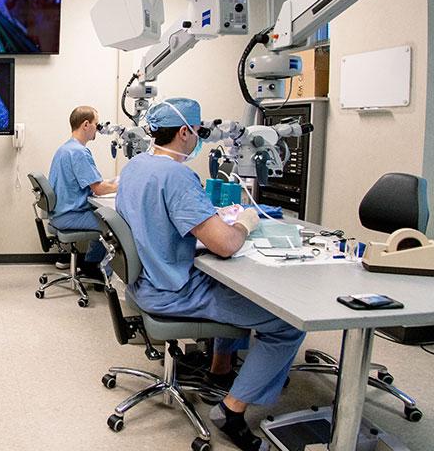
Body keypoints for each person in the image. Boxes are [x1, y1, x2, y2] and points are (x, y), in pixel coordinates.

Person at [116, 98, 305, 451]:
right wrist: (246, 222)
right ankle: (231, 411)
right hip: (172, 290)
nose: (201, 137)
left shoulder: (136, 165)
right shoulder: (177, 175)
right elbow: (226, 245)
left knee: (227, 285)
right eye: (200, 130)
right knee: (289, 325)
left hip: (146, 280)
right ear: (185, 132)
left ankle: (220, 370)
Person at [48, 105, 119, 280]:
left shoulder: (65, 149)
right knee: (116, 225)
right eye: (97, 123)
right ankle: (104, 273)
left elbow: (92, 183)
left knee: (102, 217)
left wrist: (113, 181)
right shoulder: (79, 152)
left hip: (60, 213)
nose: (98, 128)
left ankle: (90, 266)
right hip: (70, 215)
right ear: (86, 124)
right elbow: (98, 189)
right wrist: (126, 185)